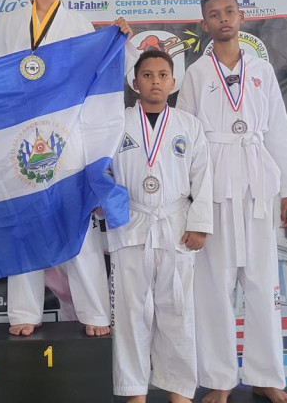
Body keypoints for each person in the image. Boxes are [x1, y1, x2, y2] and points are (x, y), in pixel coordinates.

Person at [0, 0, 136, 338]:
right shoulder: (6, 25)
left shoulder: (80, 26)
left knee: (75, 224)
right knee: (24, 225)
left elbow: (99, 77)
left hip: (66, 139)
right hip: (18, 140)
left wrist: (119, 40)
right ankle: (23, 312)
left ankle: (94, 311)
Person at [176, 0, 287, 403]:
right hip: (213, 186)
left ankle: (266, 376)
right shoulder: (196, 74)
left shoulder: (262, 71)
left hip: (257, 184)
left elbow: (278, 131)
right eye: (214, 14)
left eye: (229, 11)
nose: (223, 19)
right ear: (205, 23)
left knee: (263, 283)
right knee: (214, 286)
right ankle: (220, 379)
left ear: (240, 16)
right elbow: (188, 139)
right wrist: (191, 200)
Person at [106, 49, 213, 403]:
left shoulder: (188, 125)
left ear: (173, 82)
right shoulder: (117, 122)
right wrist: (107, 203)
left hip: (176, 226)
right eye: (147, 75)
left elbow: (203, 177)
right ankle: (134, 393)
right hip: (131, 224)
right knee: (131, 314)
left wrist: (200, 224)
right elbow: (100, 169)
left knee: (177, 312)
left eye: (162, 75)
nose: (155, 81)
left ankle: (179, 392)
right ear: (135, 83)